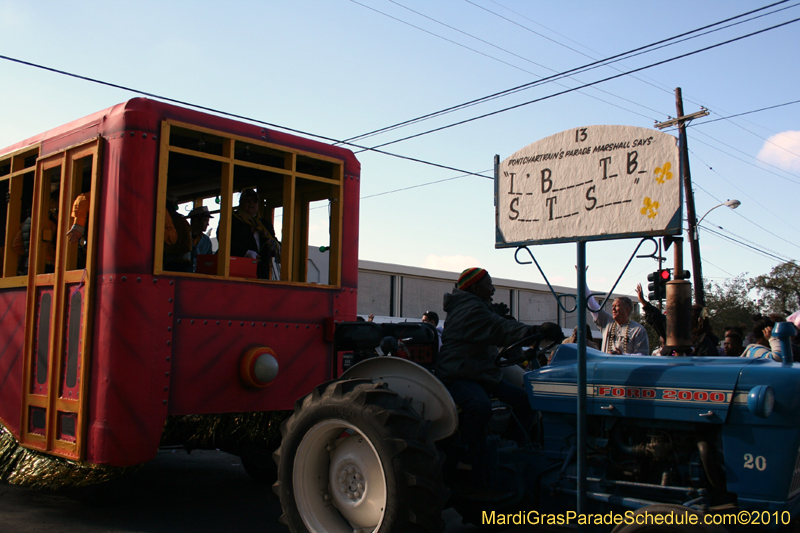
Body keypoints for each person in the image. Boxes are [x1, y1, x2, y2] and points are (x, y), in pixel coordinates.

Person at [436, 267, 563, 488]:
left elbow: (497, 323)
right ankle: (469, 457)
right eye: (489, 284)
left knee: (526, 401)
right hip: (459, 374)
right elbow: (499, 328)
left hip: (482, 373)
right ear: (475, 287)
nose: (493, 289)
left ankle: (514, 450)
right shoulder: (469, 309)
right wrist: (537, 331)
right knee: (479, 405)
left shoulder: (476, 305)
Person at [229, 189, 279, 279]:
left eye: (255, 201)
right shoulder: (231, 220)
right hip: (238, 270)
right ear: (241, 202)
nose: (251, 203)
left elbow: (274, 242)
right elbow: (225, 241)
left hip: (261, 273)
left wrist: (273, 245)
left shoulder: (265, 224)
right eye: (248, 200)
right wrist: (246, 253)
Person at [586, 284, 649, 355]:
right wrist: (580, 275)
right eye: (612, 306)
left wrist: (622, 355)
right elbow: (591, 302)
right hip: (606, 365)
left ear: (627, 309)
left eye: (616, 306)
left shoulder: (638, 330)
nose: (613, 309)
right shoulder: (607, 322)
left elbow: (642, 355)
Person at [163, 200, 192, 272]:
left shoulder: (178, 220)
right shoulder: (182, 220)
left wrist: (164, 250)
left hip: (175, 264)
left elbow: (187, 246)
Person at [188, 206, 214, 272]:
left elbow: (209, 261)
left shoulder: (207, 240)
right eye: (205, 220)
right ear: (196, 220)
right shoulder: (183, 236)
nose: (208, 224)